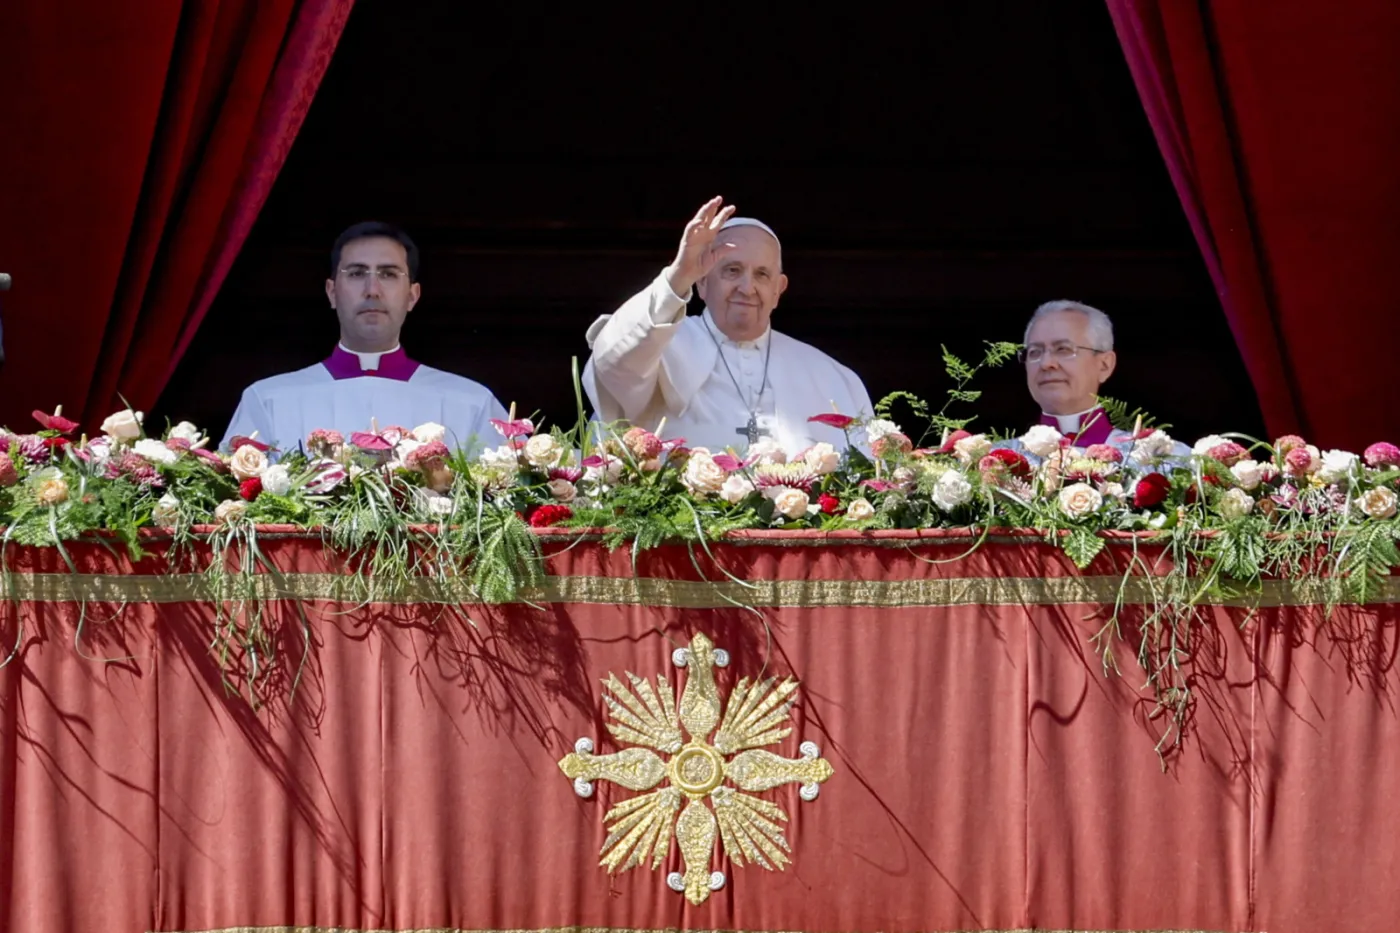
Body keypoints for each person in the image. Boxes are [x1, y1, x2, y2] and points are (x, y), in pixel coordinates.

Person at [581, 197, 872, 454]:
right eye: (732, 271)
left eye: (761, 275)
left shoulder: (831, 377)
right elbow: (612, 365)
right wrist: (676, 278)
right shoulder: (658, 345)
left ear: (778, 290)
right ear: (703, 281)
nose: (747, 288)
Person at [220, 222, 506, 452]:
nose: (372, 290)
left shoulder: (471, 402)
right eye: (357, 273)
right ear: (332, 292)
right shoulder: (269, 400)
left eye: (389, 274)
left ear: (412, 296)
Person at [1003, 299, 1188, 463]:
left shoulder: (1161, 461)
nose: (1046, 363)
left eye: (1063, 349)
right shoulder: (996, 463)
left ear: (1104, 365)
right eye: (1035, 352)